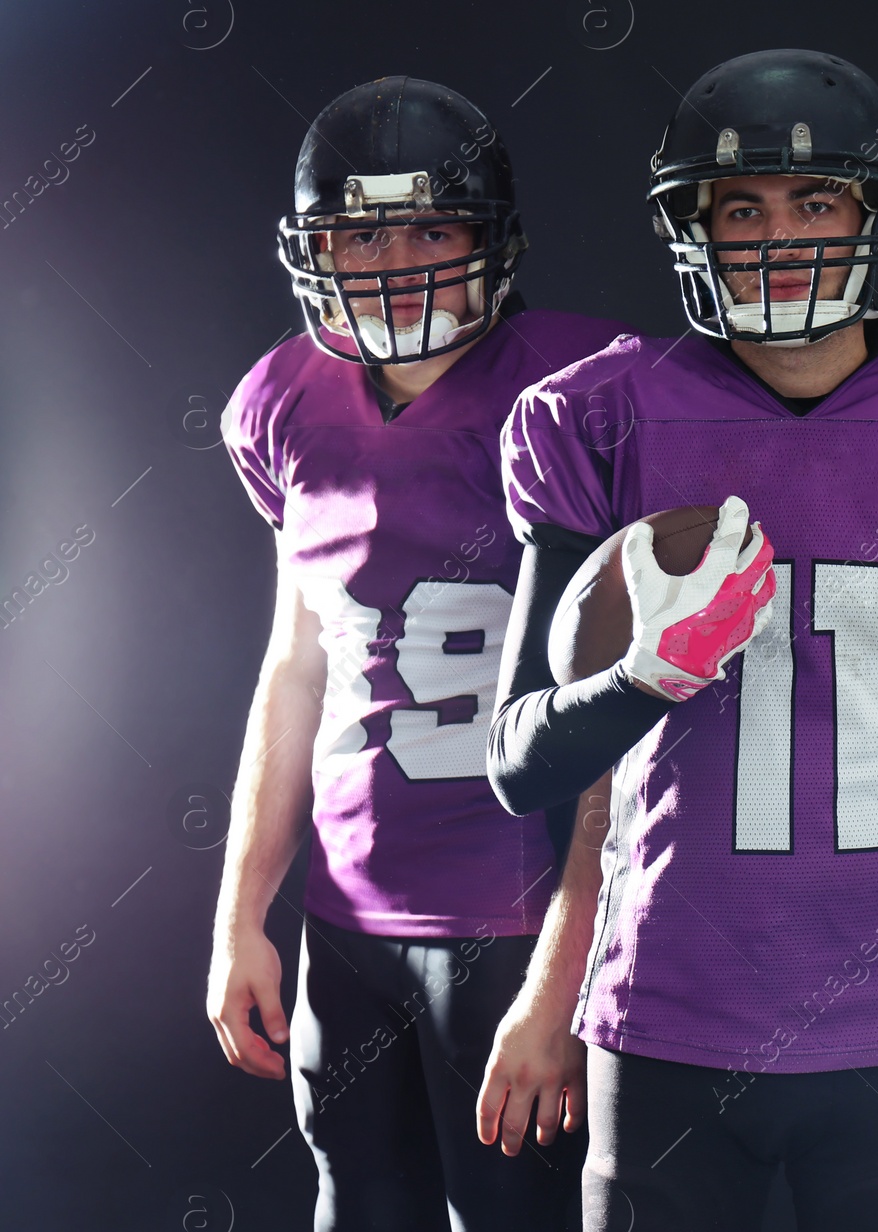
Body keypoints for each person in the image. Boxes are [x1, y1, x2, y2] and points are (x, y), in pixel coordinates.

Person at [475, 48, 878, 1232]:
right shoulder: (603, 415)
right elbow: (519, 761)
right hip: (664, 1013)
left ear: (876, 217)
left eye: (816, 201)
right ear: (693, 229)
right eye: (740, 206)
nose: (777, 236)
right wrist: (644, 675)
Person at [206, 76, 626, 1231]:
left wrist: (566, 961)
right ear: (313, 249)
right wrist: (243, 909)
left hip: (514, 911)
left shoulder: (590, 389)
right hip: (346, 917)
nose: (395, 263)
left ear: (491, 240)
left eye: (431, 228)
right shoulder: (282, 398)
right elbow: (298, 663)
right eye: (361, 232)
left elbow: (627, 722)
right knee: (356, 1203)